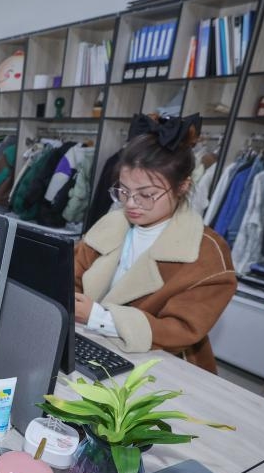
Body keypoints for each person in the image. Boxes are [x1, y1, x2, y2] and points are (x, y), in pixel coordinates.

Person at [73, 114, 237, 373]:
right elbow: (74, 277)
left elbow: (182, 330)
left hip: (163, 367)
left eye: (147, 195)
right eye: (124, 191)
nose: (131, 204)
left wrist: (99, 317)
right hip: (95, 349)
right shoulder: (112, 224)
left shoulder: (206, 253)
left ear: (182, 187)